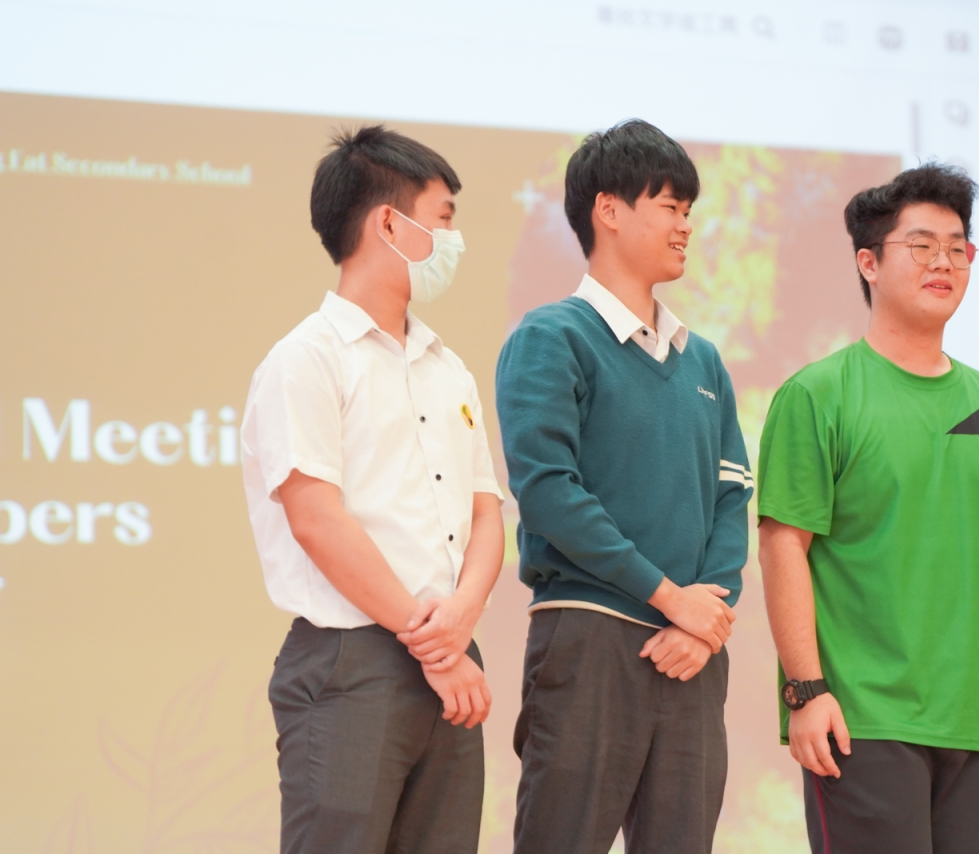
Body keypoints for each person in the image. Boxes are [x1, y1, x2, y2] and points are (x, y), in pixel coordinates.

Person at [756, 164, 979, 854]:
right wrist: (805, 691)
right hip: (862, 723)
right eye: (921, 246)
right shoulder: (818, 395)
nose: (943, 263)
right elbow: (783, 546)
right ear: (868, 263)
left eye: (958, 248)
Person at [240, 125, 505, 854]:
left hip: (451, 658)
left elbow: (486, 511)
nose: (453, 240)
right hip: (350, 661)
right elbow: (317, 521)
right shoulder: (306, 359)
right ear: (390, 224)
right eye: (443, 219)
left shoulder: (448, 368)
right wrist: (437, 646)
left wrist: (460, 623)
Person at [495, 119, 752, 854]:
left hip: (692, 654)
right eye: (670, 206)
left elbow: (732, 496)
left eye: (689, 210)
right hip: (590, 637)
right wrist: (671, 598)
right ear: (608, 210)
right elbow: (550, 492)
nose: (686, 225)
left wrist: (706, 615)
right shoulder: (552, 338)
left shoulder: (703, 361)